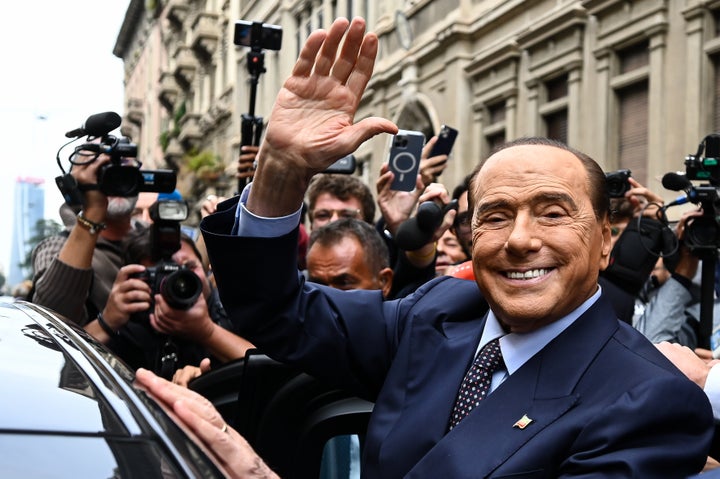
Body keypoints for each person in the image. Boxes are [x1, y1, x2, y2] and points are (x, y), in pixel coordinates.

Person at [137, 17, 713, 477]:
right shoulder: (438, 315)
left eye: (553, 213)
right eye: (494, 216)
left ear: (606, 239)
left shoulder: (650, 403)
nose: (519, 239)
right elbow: (277, 310)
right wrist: (281, 171)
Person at [86, 227, 254, 379]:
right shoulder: (132, 324)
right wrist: (106, 322)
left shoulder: (236, 306)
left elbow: (272, 371)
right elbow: (73, 370)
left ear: (204, 267)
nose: (180, 280)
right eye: (162, 274)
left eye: (189, 267)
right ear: (137, 280)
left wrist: (207, 332)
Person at [31, 145, 140, 326]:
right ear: (76, 183)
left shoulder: (160, 239)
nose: (114, 179)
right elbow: (52, 322)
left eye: (122, 168)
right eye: (100, 171)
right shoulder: (55, 248)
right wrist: (93, 210)